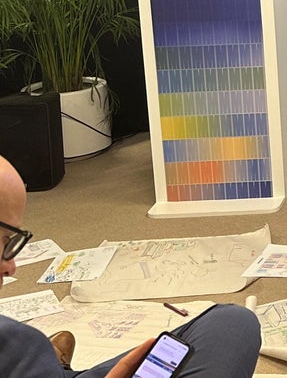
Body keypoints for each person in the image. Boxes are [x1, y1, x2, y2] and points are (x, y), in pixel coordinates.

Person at [0, 155, 261, 376]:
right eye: (4, 241)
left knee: (232, 320)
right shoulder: (17, 342)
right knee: (234, 324)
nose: (12, 266)